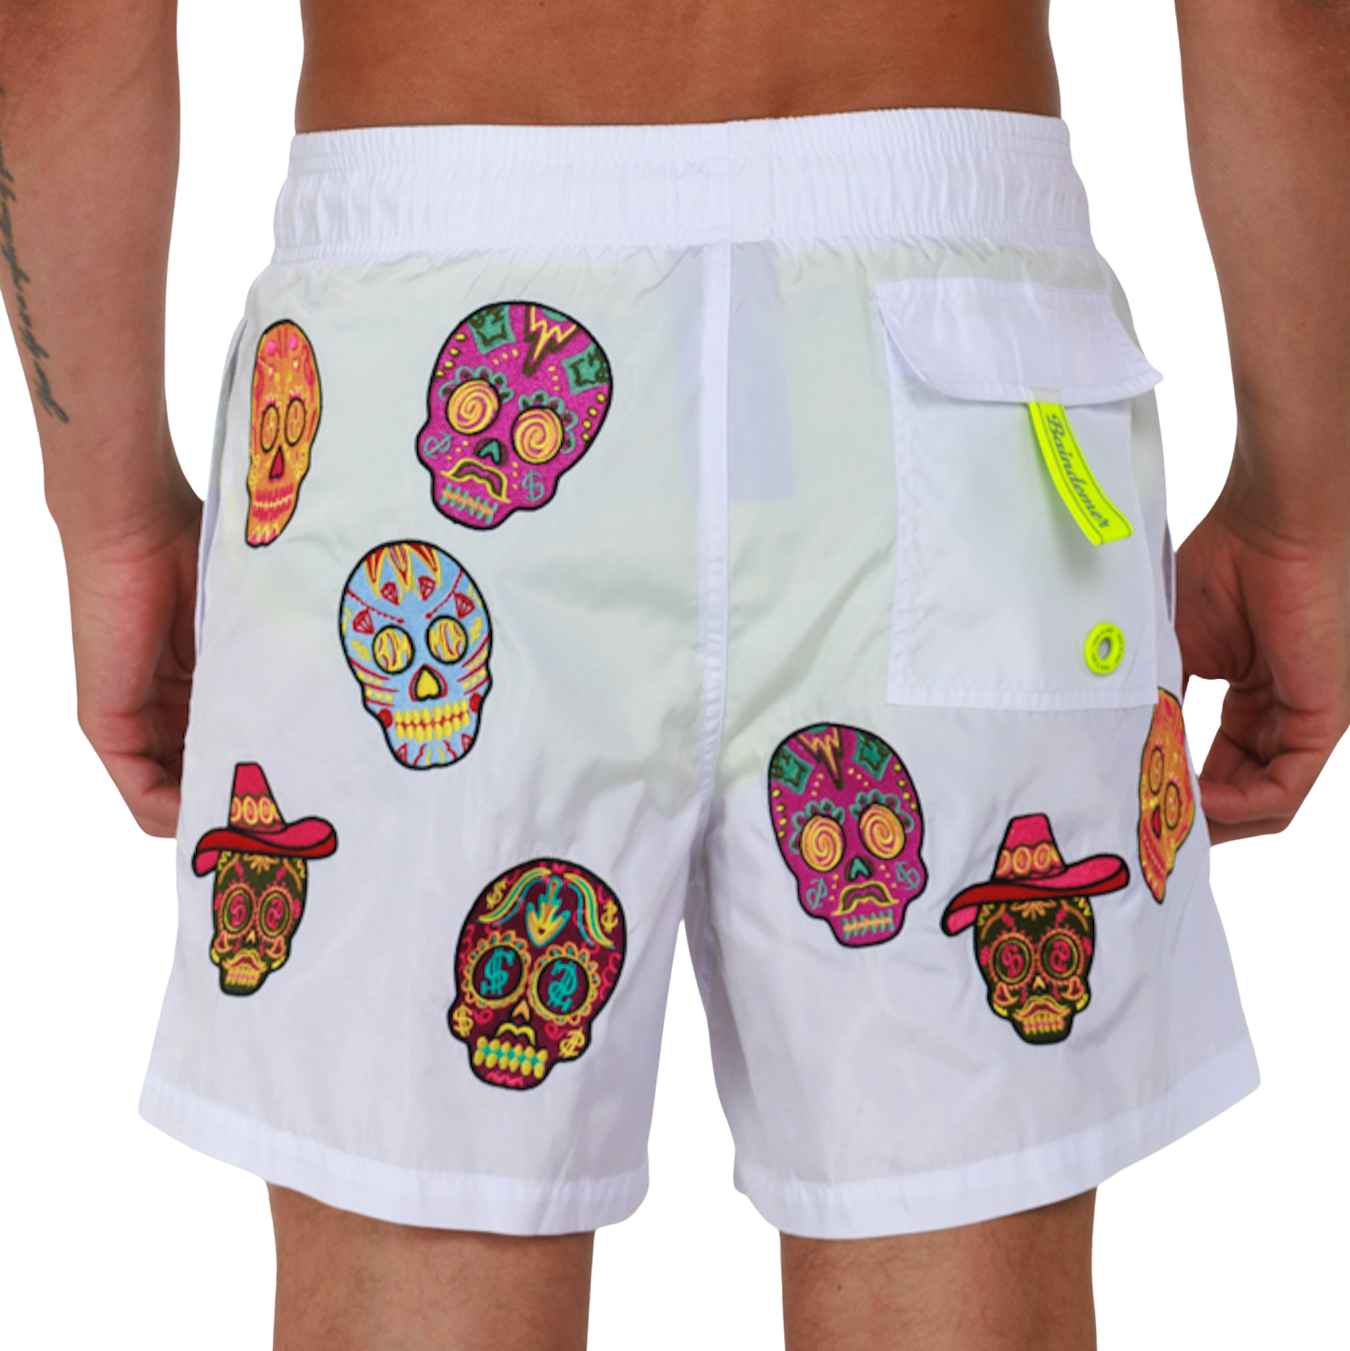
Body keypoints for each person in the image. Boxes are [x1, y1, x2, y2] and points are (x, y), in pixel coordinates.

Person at [2, 1, 1347, 1347]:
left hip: (422, 332)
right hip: (966, 357)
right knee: (963, 1265)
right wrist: (1305, 517)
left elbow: (62, 23)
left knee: (410, 1266)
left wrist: (108, 516)